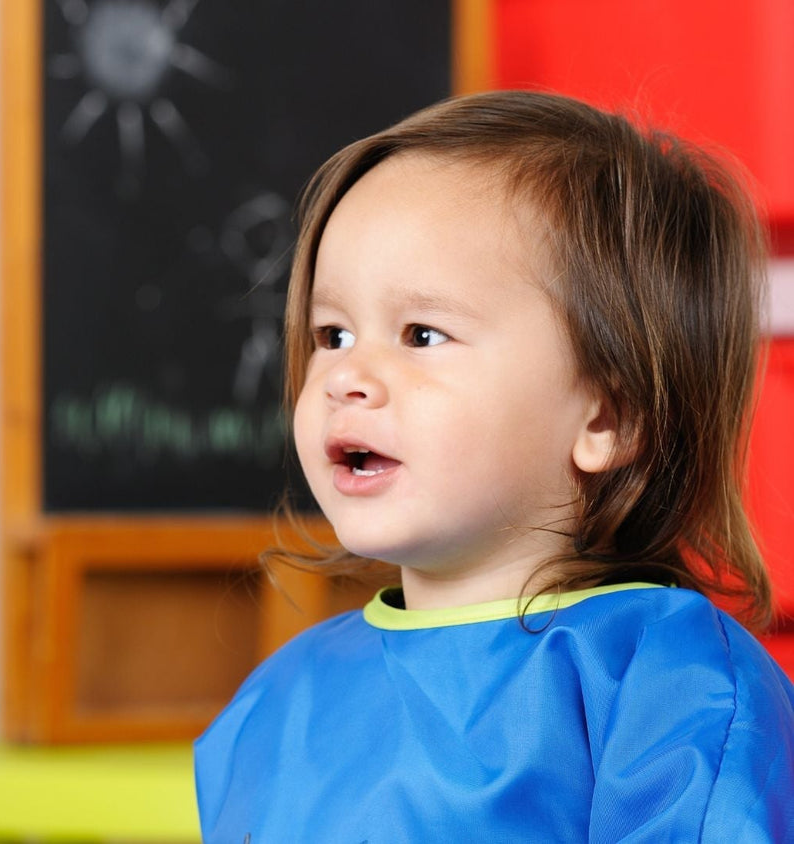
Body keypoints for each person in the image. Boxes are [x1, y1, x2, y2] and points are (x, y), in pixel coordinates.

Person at [195, 90, 794, 841]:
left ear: (607, 418)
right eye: (333, 333)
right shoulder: (278, 699)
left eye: (421, 334)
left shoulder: (665, 682)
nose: (347, 376)